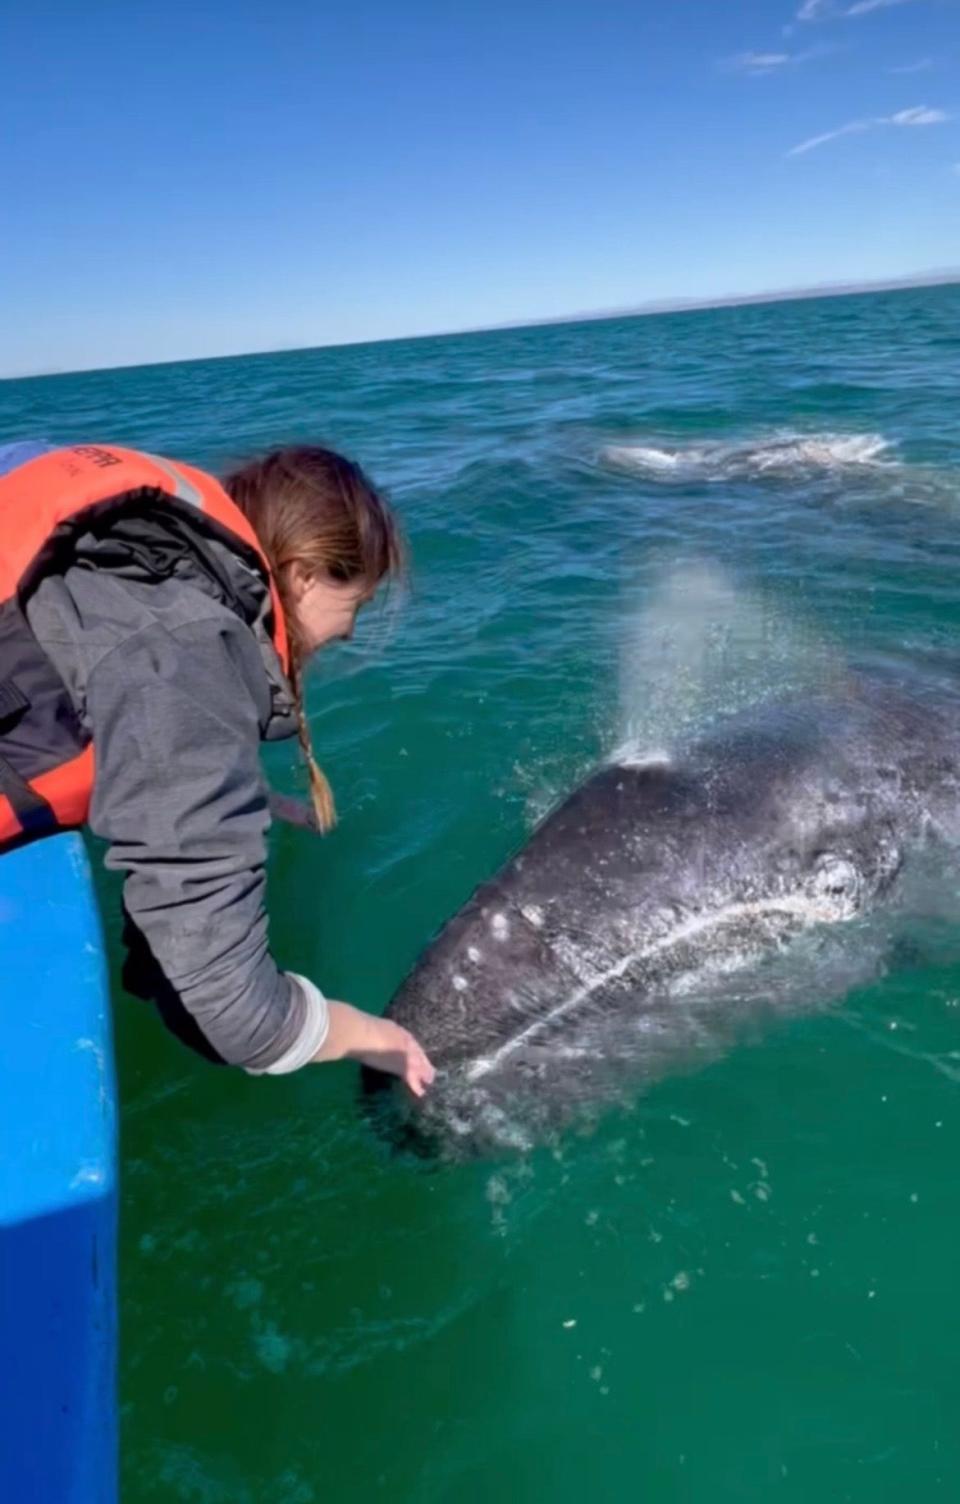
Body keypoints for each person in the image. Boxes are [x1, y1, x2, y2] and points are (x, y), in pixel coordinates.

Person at [0, 439, 435, 1095]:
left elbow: (114, 678)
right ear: (305, 573)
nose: (347, 631)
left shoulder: (133, 546)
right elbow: (239, 1018)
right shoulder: (186, 654)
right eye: (358, 602)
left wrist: (229, 787)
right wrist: (377, 1036)